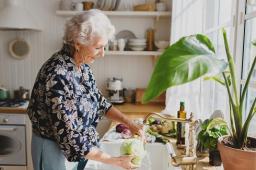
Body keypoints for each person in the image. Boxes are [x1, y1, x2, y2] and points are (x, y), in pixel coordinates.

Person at [27, 9, 143, 170]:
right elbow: (70, 138)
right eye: (98, 47)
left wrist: (129, 123)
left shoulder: (81, 66)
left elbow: (99, 102)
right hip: (53, 151)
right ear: (77, 43)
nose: (102, 54)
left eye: (104, 47)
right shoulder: (58, 76)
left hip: (81, 148)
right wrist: (116, 161)